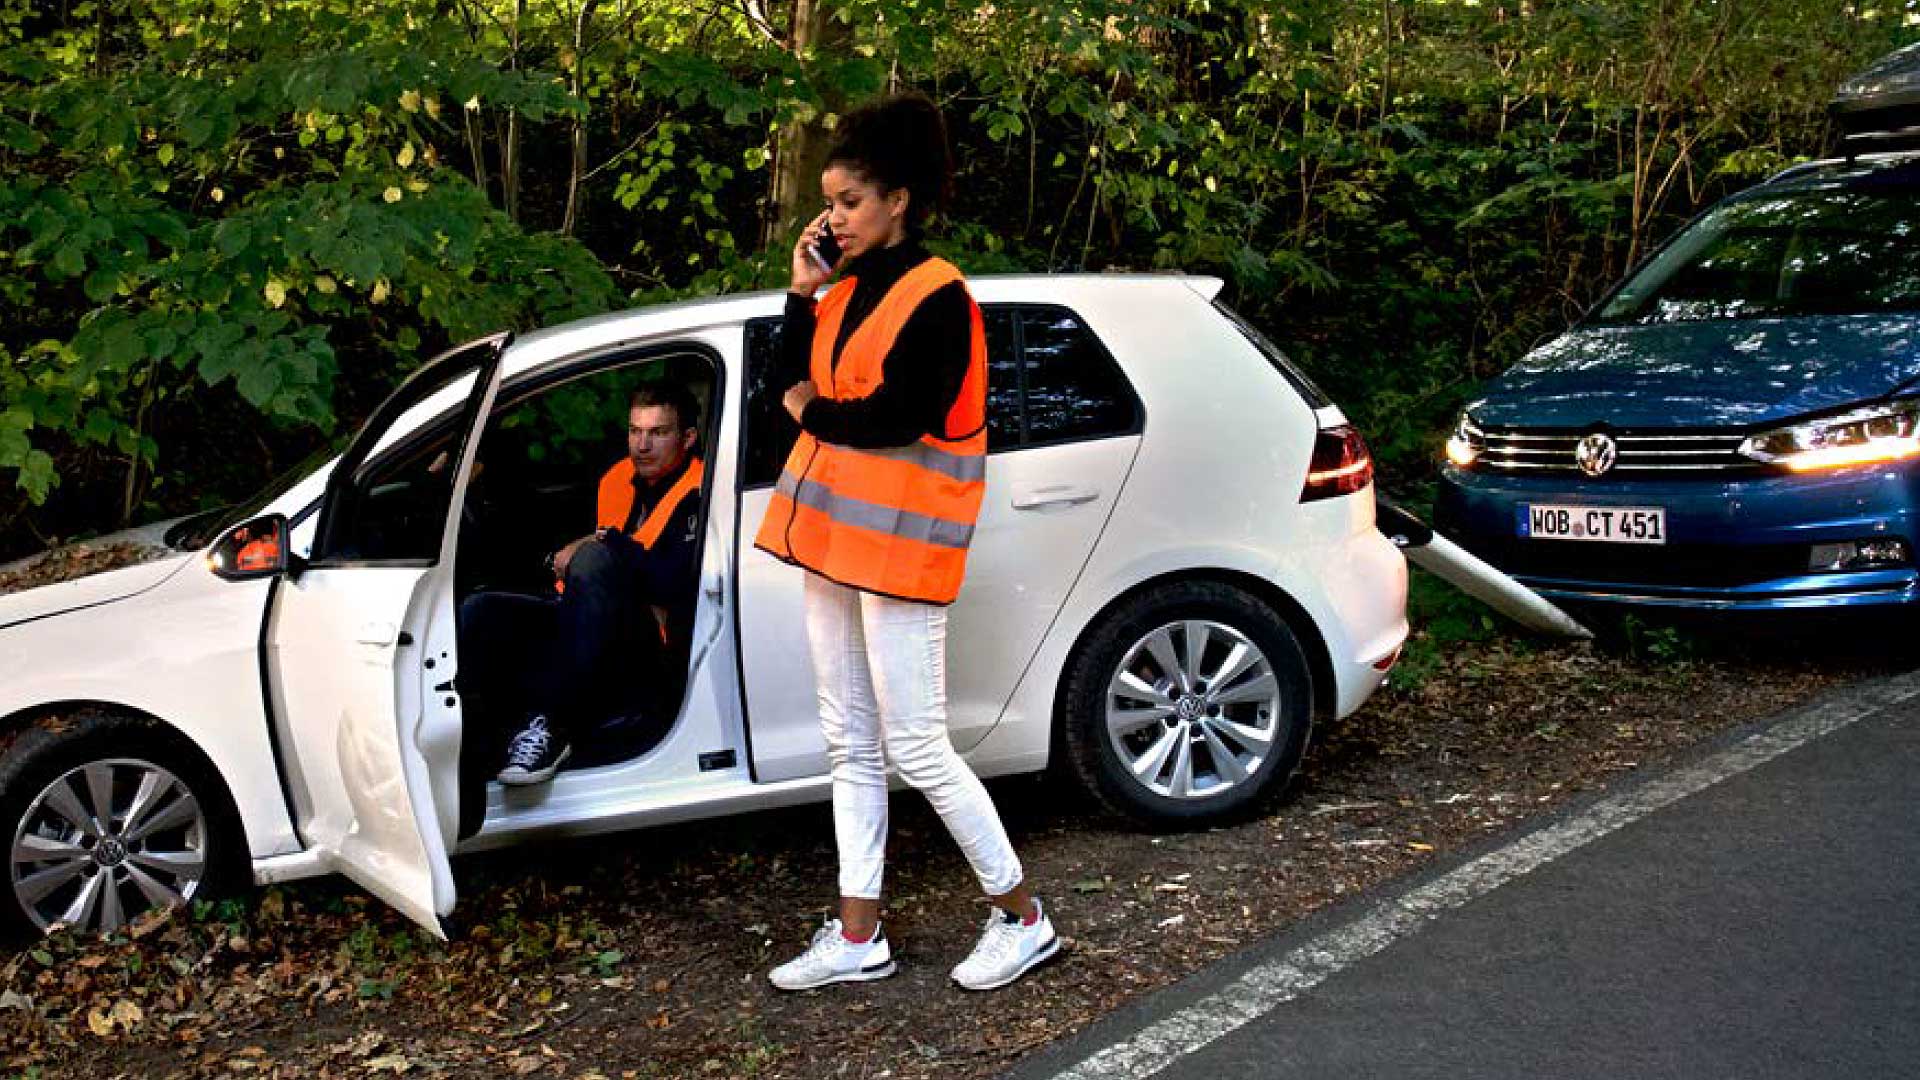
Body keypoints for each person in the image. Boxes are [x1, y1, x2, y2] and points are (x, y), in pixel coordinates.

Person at [756, 93, 1060, 992]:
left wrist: (810, 407)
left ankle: (1025, 917)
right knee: (849, 743)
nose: (834, 218)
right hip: (836, 552)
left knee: (919, 748)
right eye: (829, 202)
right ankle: (859, 935)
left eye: (849, 200)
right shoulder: (839, 293)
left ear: (897, 201)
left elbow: (892, 419)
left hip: (900, 559)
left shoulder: (938, 294)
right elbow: (779, 375)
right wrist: (799, 292)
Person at [457, 383, 705, 786]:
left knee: (593, 559)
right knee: (483, 611)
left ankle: (553, 726)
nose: (642, 445)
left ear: (687, 438)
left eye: (658, 432)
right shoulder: (617, 478)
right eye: (634, 431)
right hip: (585, 623)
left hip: (650, 644)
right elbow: (547, 529)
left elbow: (675, 579)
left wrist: (605, 545)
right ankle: (466, 745)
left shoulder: (700, 491)